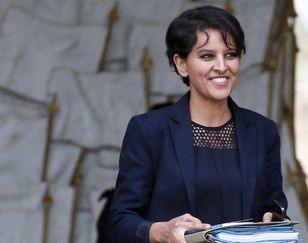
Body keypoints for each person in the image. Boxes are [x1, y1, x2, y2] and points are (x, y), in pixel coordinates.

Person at [107, 5, 288, 243]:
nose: (222, 66)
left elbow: (275, 209)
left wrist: (275, 222)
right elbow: (120, 222)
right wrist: (162, 231)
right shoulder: (149, 131)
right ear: (181, 64)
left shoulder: (263, 132)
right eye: (207, 56)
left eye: (230, 54)